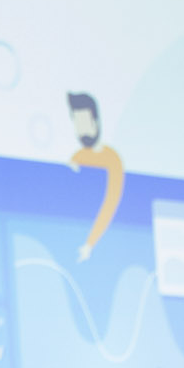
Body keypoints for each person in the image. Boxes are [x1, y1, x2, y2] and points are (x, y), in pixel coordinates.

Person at [65, 91, 123, 262]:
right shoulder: (76, 158)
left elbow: (110, 203)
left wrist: (90, 244)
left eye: (85, 122)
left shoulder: (111, 159)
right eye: (77, 123)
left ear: (96, 122)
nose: (81, 129)